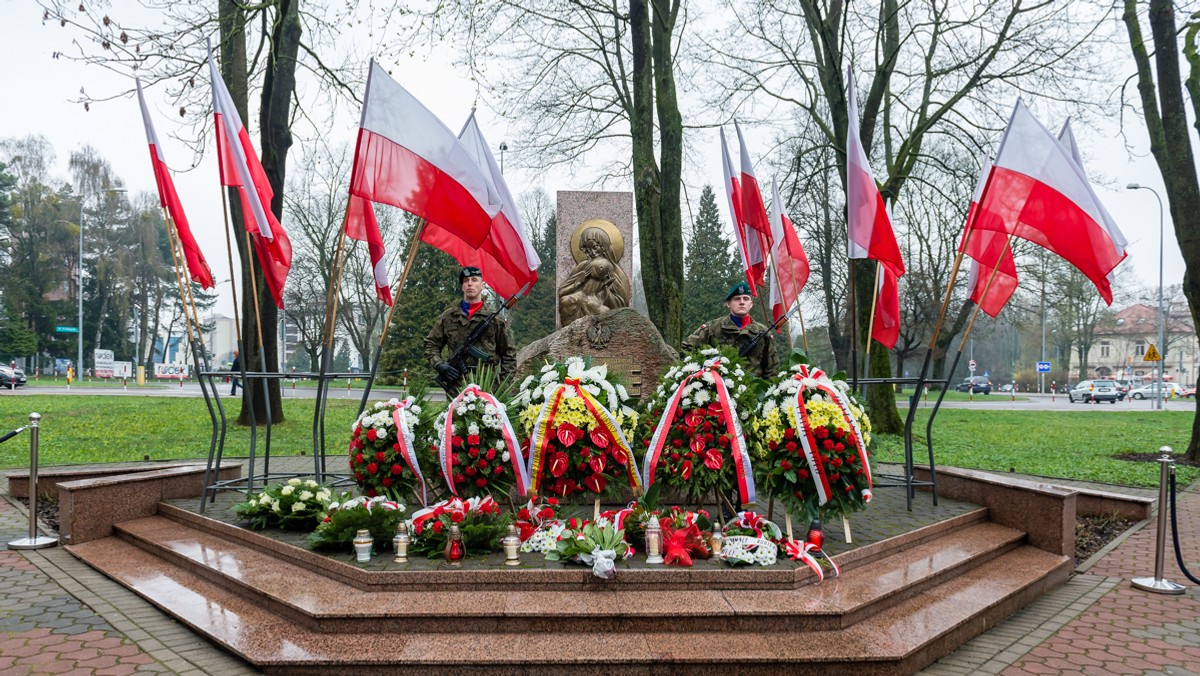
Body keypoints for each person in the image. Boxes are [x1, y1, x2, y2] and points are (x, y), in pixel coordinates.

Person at [424, 266, 517, 388]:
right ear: (462, 286)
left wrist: (501, 387)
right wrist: (439, 364)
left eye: (474, 280)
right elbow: (431, 344)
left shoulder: (495, 320)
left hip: (487, 387)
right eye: (466, 281)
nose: (470, 284)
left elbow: (509, 354)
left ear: (482, 285)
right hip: (456, 386)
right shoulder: (449, 317)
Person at [681, 282, 779, 379]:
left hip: (753, 390)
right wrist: (704, 371)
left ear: (751, 304)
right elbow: (686, 349)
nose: (742, 302)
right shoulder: (712, 328)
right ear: (728, 304)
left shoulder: (762, 331)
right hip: (719, 389)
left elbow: (772, 369)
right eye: (737, 299)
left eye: (746, 299)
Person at [557, 226, 632, 325]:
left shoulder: (614, 272)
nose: (592, 253)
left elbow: (622, 306)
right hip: (579, 304)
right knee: (566, 301)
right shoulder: (583, 267)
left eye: (595, 247)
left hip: (597, 307)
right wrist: (579, 281)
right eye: (588, 249)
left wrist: (606, 290)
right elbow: (562, 291)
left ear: (604, 247)